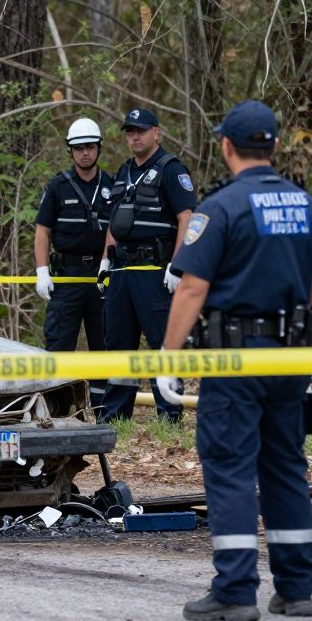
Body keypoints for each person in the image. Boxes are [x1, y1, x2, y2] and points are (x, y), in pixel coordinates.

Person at [157, 100, 312, 621]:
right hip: (292, 357)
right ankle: (296, 590)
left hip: (233, 359)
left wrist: (168, 360)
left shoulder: (222, 208)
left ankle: (235, 591)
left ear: (227, 147)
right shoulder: (308, 207)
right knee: (285, 465)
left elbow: (191, 288)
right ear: (275, 147)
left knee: (230, 467)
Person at [98, 108, 195, 421]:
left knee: (162, 344)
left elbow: (188, 218)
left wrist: (178, 264)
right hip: (122, 271)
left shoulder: (171, 169)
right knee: (118, 345)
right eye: (129, 131)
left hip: (156, 272)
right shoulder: (124, 171)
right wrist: (104, 260)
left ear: (157, 132)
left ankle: (169, 414)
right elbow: (115, 221)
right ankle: (115, 415)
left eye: (140, 130)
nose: (134, 136)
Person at [34, 118, 113, 413]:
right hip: (66, 277)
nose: (85, 153)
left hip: (100, 278)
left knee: (103, 345)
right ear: (70, 152)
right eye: (78, 148)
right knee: (59, 345)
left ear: (98, 148)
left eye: (90, 147)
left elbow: (113, 230)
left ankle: (105, 412)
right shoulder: (57, 186)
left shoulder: (112, 184)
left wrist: (107, 263)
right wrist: (42, 271)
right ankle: (57, 410)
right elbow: (42, 230)